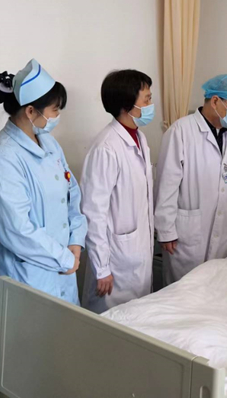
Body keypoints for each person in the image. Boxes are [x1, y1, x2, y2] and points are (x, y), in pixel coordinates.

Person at [0, 59, 87, 305]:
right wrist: (64, 259)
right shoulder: (2, 157)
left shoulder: (49, 143)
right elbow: (17, 229)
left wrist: (75, 241)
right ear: (30, 111)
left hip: (63, 267)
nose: (57, 116)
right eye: (54, 110)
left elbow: (71, 194)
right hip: (28, 276)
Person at [155, 74, 227, 285]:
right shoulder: (180, 132)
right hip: (187, 239)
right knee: (183, 293)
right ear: (215, 101)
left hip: (223, 236)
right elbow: (166, 185)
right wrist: (165, 230)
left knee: (216, 291)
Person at [80, 70, 155, 313]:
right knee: (108, 325)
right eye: (146, 99)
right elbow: (93, 212)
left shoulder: (140, 139)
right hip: (115, 263)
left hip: (137, 253)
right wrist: (102, 267)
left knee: (138, 320)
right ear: (127, 104)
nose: (150, 104)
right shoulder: (106, 147)